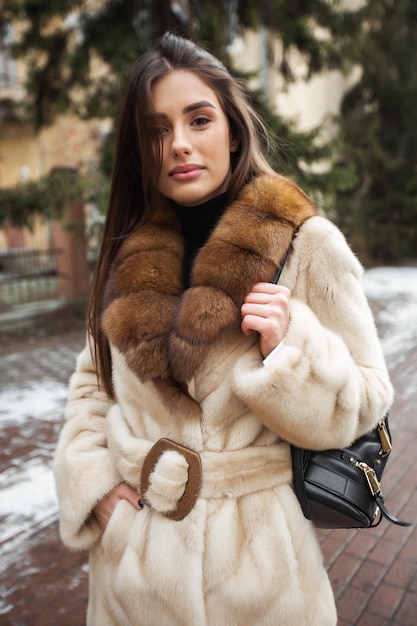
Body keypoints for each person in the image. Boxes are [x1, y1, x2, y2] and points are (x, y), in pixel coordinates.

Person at [53, 31, 393, 626]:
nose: (179, 144)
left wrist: (293, 348)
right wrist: (97, 489)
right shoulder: (128, 256)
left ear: (232, 130)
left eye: (198, 119)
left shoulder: (304, 243)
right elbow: (93, 386)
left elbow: (365, 399)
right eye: (157, 130)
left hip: (261, 575)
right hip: (135, 580)